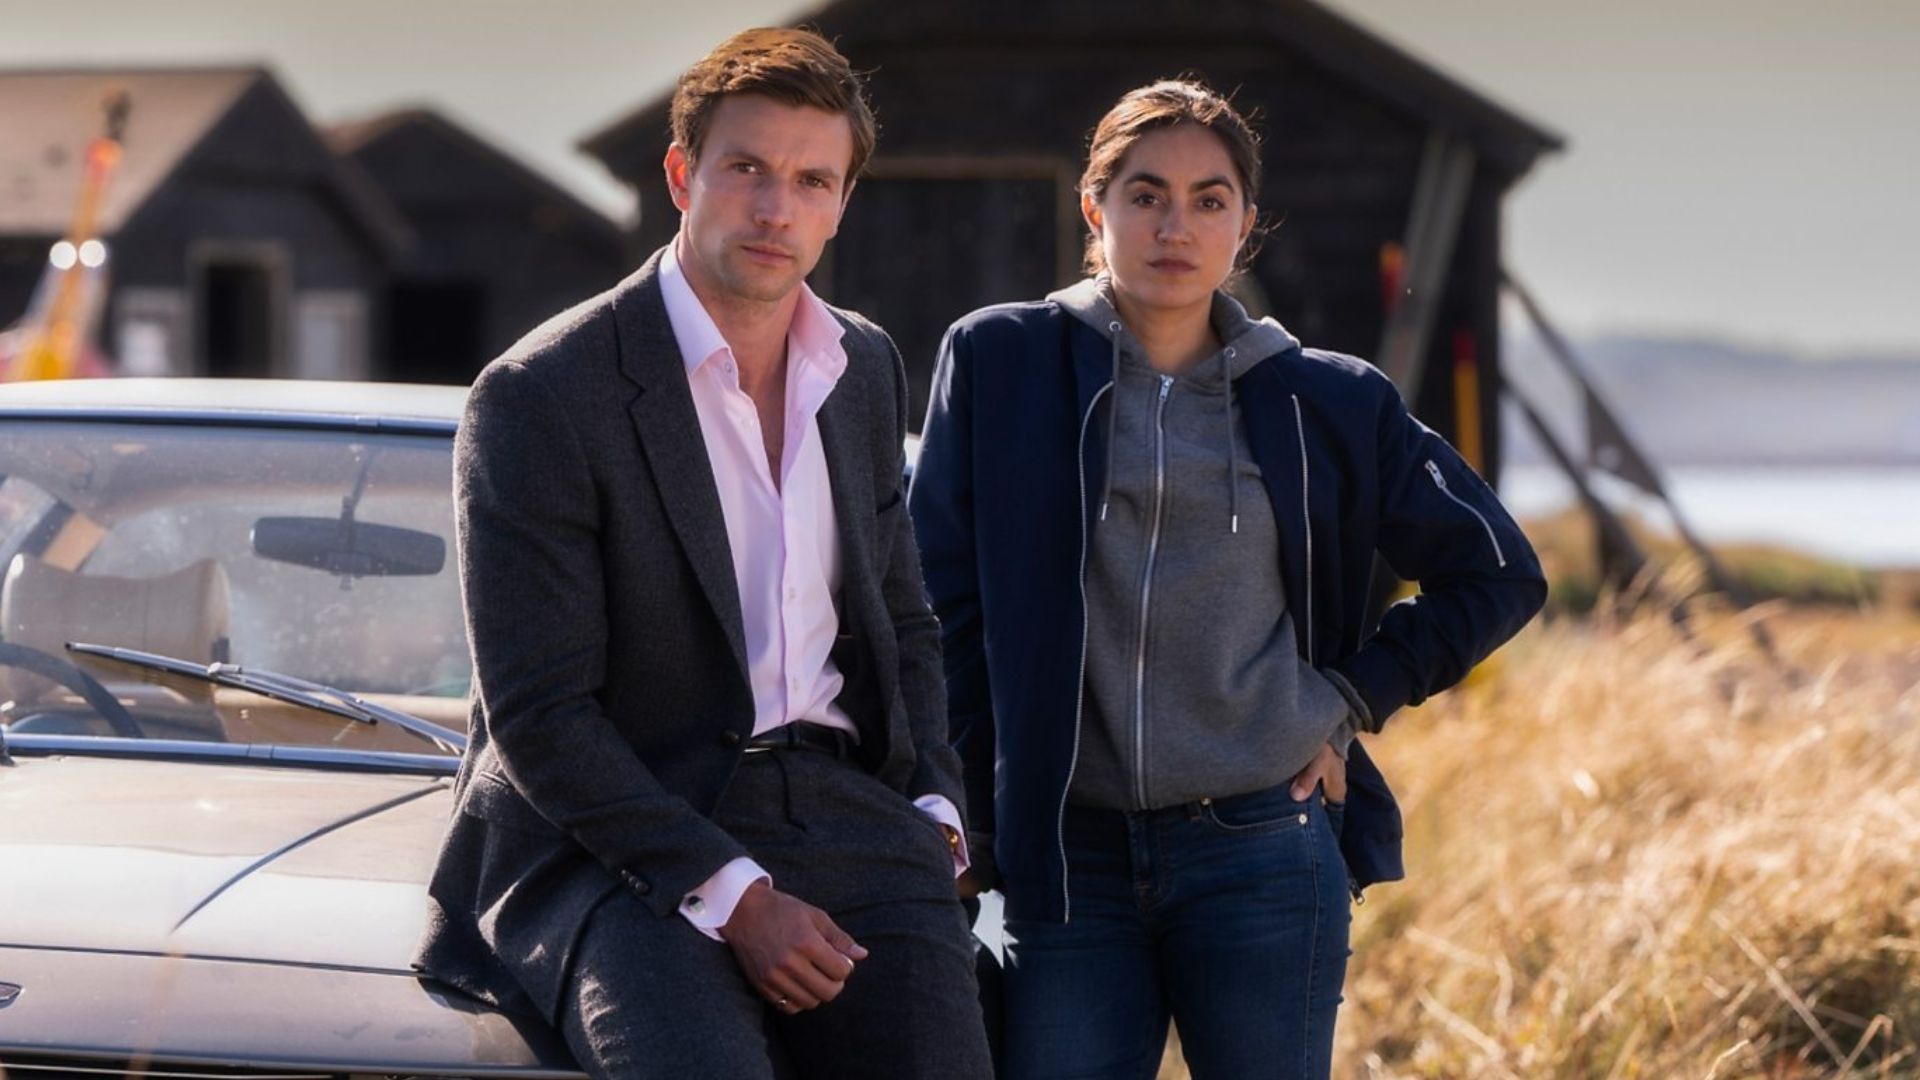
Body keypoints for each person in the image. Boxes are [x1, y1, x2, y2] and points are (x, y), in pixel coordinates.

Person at [908, 80, 1547, 1079]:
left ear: (1246, 223)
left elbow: (1499, 572)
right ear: (1095, 206)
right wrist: (960, 803)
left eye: (1210, 199)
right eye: (1146, 193)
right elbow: (932, 599)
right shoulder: (1000, 361)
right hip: (1064, 857)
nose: (1177, 224)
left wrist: (1349, 697)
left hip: (1261, 849)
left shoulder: (1328, 399)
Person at [414, 28, 993, 1080]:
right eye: (747, 169)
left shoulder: (862, 366)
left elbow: (902, 616)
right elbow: (541, 717)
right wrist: (737, 895)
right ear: (683, 174)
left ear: (841, 202)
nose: (777, 209)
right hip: (619, 834)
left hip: (850, 813)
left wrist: (933, 809)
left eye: (812, 179)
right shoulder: (544, 395)